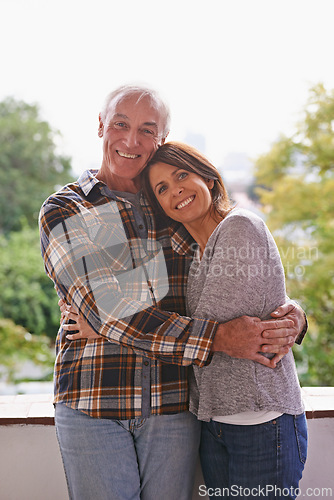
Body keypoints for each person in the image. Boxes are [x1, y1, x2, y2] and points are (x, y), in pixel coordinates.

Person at [39, 85, 307, 500]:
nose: (131, 141)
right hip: (94, 399)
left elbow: (217, 277)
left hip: (172, 403)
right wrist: (213, 336)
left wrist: (290, 312)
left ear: (162, 138)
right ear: (100, 126)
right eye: (120, 125)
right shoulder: (65, 209)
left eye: (147, 130)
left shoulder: (170, 206)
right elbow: (109, 310)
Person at [141, 141, 308, 499]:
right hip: (216, 427)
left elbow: (216, 326)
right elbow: (206, 333)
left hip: (263, 423)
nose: (177, 190)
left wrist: (123, 324)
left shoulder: (240, 227)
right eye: (162, 189)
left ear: (208, 177)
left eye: (181, 175)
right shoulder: (194, 257)